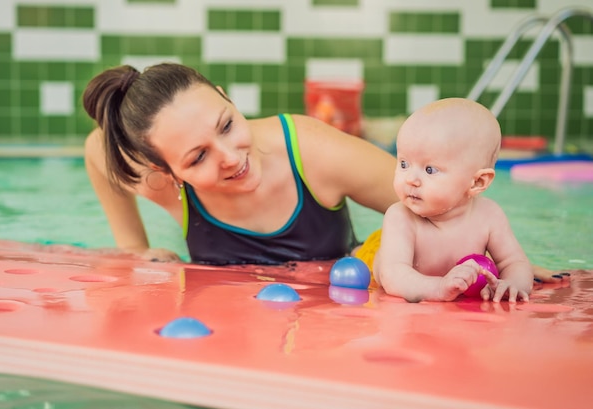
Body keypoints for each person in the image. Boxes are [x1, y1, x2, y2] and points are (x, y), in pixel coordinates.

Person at [81, 62, 399, 265]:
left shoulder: (313, 151)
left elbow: (432, 201)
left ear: (227, 98)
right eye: (199, 157)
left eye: (227, 125)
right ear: (167, 172)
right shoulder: (161, 183)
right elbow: (97, 148)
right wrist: (133, 248)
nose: (231, 158)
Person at [371, 98, 534, 303]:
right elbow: (393, 276)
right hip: (378, 251)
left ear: (477, 182)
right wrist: (439, 287)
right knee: (369, 255)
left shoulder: (489, 216)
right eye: (404, 163)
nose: (410, 179)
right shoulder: (400, 217)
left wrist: (512, 284)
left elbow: (514, 262)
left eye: (430, 169)